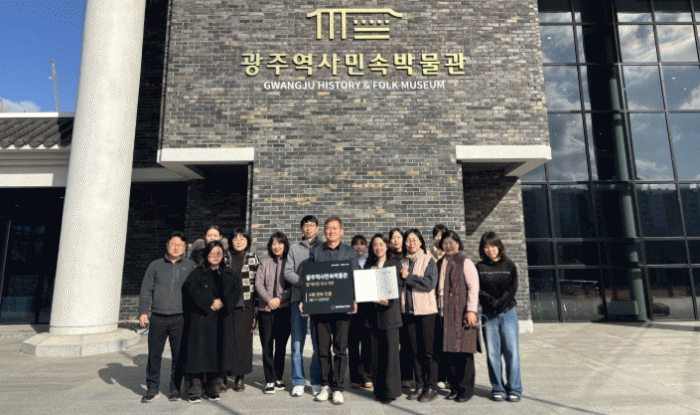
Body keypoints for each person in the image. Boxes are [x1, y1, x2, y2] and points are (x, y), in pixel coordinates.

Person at [306, 216, 360, 405]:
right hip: (321, 308)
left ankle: (338, 388)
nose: (331, 231)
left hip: (342, 309)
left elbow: (355, 277)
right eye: (328, 228)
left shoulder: (349, 252)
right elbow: (310, 278)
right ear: (324, 231)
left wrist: (354, 300)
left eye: (335, 228)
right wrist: (306, 300)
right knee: (322, 349)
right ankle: (325, 385)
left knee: (340, 349)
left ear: (341, 231)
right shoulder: (316, 252)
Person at [138, 231, 196, 403]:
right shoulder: (155, 265)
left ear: (185, 247)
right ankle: (152, 388)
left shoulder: (190, 266)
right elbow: (146, 290)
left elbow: (197, 291)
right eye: (173, 244)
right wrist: (143, 311)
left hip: (180, 318)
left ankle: (175, 389)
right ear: (167, 245)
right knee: (154, 355)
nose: (176, 247)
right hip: (158, 317)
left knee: (179, 356)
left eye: (180, 245)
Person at [182, 241, 241, 403]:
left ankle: (212, 388)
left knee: (217, 355)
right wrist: (210, 302)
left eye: (219, 254)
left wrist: (223, 302)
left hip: (221, 319)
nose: (215, 257)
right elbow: (191, 291)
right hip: (201, 318)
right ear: (206, 255)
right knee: (199, 355)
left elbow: (235, 291)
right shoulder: (197, 273)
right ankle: (194, 389)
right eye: (212, 254)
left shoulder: (229, 273)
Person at [476, 231, 522, 403]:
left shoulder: (509, 265)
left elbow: (512, 289)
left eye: (493, 246)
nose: (490, 250)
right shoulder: (479, 267)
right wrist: (492, 303)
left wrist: (500, 304)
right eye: (486, 247)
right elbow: (478, 290)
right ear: (482, 249)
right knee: (493, 353)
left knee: (512, 352)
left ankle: (514, 388)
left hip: (508, 312)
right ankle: (498, 388)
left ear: (499, 246)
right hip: (489, 314)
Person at [437, 230, 479, 403]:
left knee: (464, 353)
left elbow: (473, 287)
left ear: (458, 244)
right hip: (445, 315)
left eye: (451, 242)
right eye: (445, 243)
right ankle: (454, 388)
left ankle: (466, 390)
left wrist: (471, 310)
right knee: (449, 353)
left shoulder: (465, 262)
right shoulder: (440, 263)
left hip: (462, 314)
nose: (448, 246)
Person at [284, 215, 322, 397]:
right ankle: (298, 380)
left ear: (317, 228)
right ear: (301, 229)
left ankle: (315, 380)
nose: (309, 228)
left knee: (318, 341)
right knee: (297, 342)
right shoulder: (294, 248)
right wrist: (305, 283)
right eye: (306, 225)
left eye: (312, 225)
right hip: (297, 299)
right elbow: (287, 272)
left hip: (319, 300)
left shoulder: (323, 248)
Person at [399, 229, 439, 403]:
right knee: (414, 352)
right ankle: (420, 384)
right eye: (408, 240)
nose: (411, 243)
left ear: (421, 242)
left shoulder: (429, 260)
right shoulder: (402, 262)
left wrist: (409, 277)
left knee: (428, 352)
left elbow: (430, 283)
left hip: (426, 312)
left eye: (414, 240)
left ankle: (432, 386)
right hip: (408, 312)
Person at [365, 233, 403, 404]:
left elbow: (399, 286)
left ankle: (390, 391)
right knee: (376, 355)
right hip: (373, 317)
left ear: (387, 246)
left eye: (381, 244)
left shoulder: (394, 263)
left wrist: (388, 301)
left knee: (390, 355)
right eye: (375, 245)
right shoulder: (368, 265)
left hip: (390, 315)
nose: (378, 247)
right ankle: (379, 390)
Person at [255, 231, 293, 394]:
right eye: (273, 243)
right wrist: (269, 300)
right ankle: (269, 379)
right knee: (267, 345)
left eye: (279, 243)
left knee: (281, 345)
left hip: (284, 309)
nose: (276, 246)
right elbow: (258, 284)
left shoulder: (289, 264)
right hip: (266, 309)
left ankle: (278, 377)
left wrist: (279, 299)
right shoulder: (264, 263)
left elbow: (292, 287)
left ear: (285, 245)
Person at [227, 227, 259, 392]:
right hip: (226, 306)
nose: (238, 241)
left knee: (243, 342)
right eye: (235, 238)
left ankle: (240, 377)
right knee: (226, 341)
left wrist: (256, 305)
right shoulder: (225, 257)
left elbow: (258, 283)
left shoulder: (253, 258)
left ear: (248, 241)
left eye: (242, 238)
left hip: (245, 306)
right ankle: (223, 376)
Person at [349, 233, 372, 389]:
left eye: (362, 243)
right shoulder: (347, 262)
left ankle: (367, 375)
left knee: (367, 343)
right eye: (356, 243)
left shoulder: (371, 262)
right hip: (351, 308)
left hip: (367, 308)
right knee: (352, 343)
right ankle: (355, 377)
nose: (359, 246)